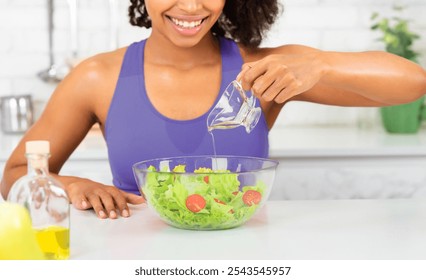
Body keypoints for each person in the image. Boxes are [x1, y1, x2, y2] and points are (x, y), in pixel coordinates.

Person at [1, 0, 426, 219]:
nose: (190, 6)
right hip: (134, 259)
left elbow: (412, 83)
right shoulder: (97, 77)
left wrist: (323, 62)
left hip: (247, 258)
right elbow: (16, 175)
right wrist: (69, 184)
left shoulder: (263, 71)